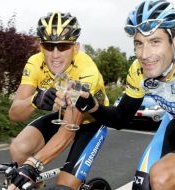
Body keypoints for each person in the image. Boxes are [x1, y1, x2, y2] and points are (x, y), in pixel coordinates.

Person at [75, 0, 175, 189]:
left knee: (162, 177)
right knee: (142, 184)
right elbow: (120, 119)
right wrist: (92, 106)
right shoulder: (138, 70)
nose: (144, 54)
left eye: (155, 42)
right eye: (139, 43)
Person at [8, 11, 108, 190]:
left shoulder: (86, 70)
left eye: (63, 46)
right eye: (48, 46)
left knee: (64, 185)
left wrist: (32, 165)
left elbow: (68, 130)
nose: (55, 55)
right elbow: (15, 113)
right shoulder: (35, 62)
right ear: (41, 46)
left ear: (75, 47)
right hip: (62, 116)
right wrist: (35, 100)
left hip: (91, 122)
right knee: (19, 148)